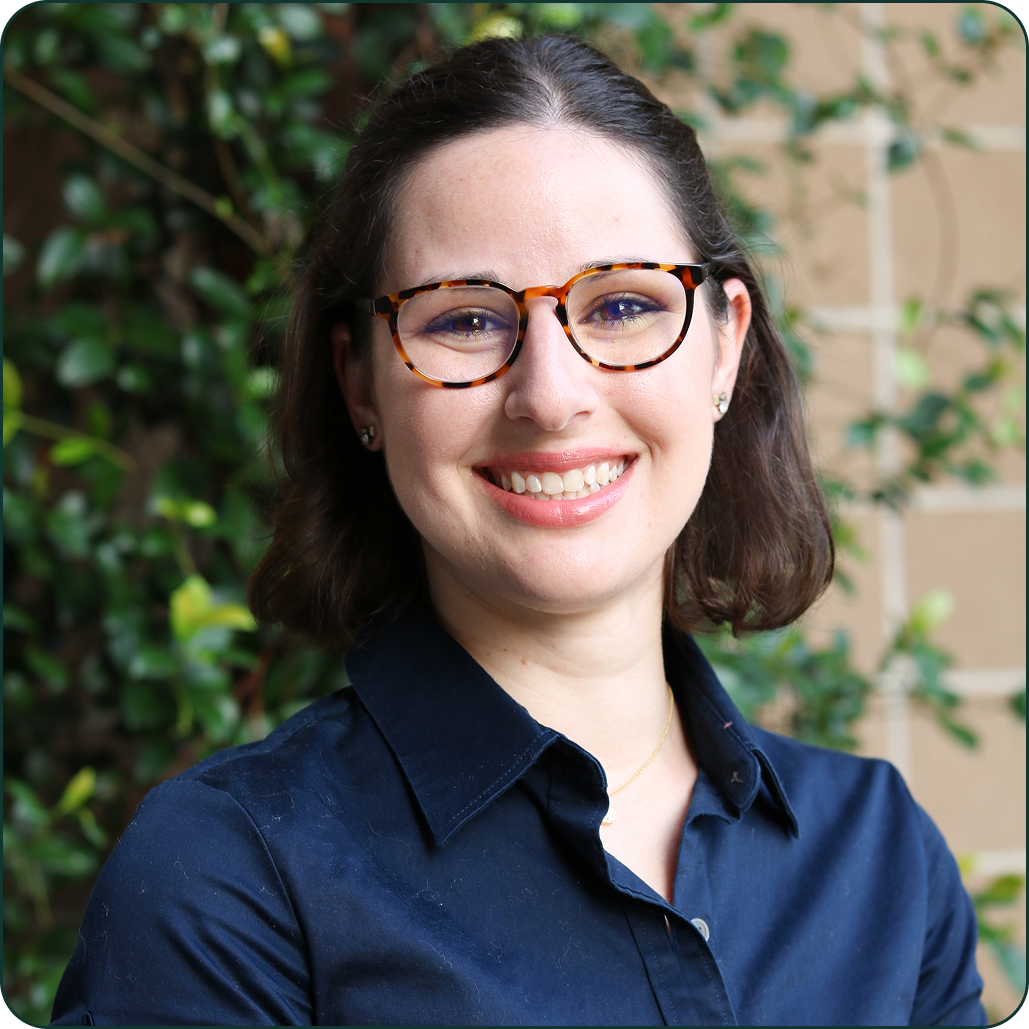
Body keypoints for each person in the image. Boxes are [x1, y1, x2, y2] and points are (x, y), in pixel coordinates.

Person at [51, 34, 985, 1027]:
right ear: (360, 379)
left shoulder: (883, 859)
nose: (550, 395)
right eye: (463, 320)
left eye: (623, 304)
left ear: (724, 346)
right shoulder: (227, 878)